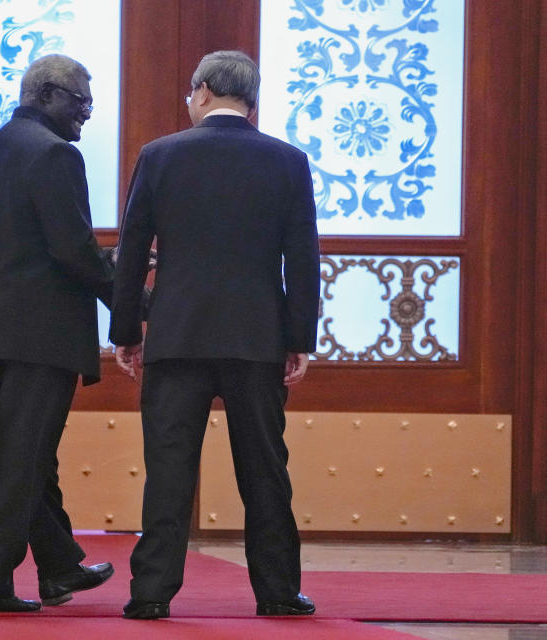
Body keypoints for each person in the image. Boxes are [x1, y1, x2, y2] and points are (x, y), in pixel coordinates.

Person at [109, 50, 320, 619]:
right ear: (252, 100)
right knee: (264, 468)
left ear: (201, 91)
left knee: (170, 468)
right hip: (258, 337)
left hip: (178, 334)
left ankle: (151, 593)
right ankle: (278, 591)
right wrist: (300, 338)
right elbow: (302, 259)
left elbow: (131, 253)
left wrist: (126, 330)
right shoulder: (288, 161)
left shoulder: (159, 156)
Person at [0, 54, 116, 613]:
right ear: (46, 94)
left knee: (31, 453)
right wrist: (133, 303)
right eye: (80, 101)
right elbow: (74, 249)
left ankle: (58, 565)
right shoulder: (54, 155)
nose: (87, 114)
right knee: (23, 458)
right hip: (42, 336)